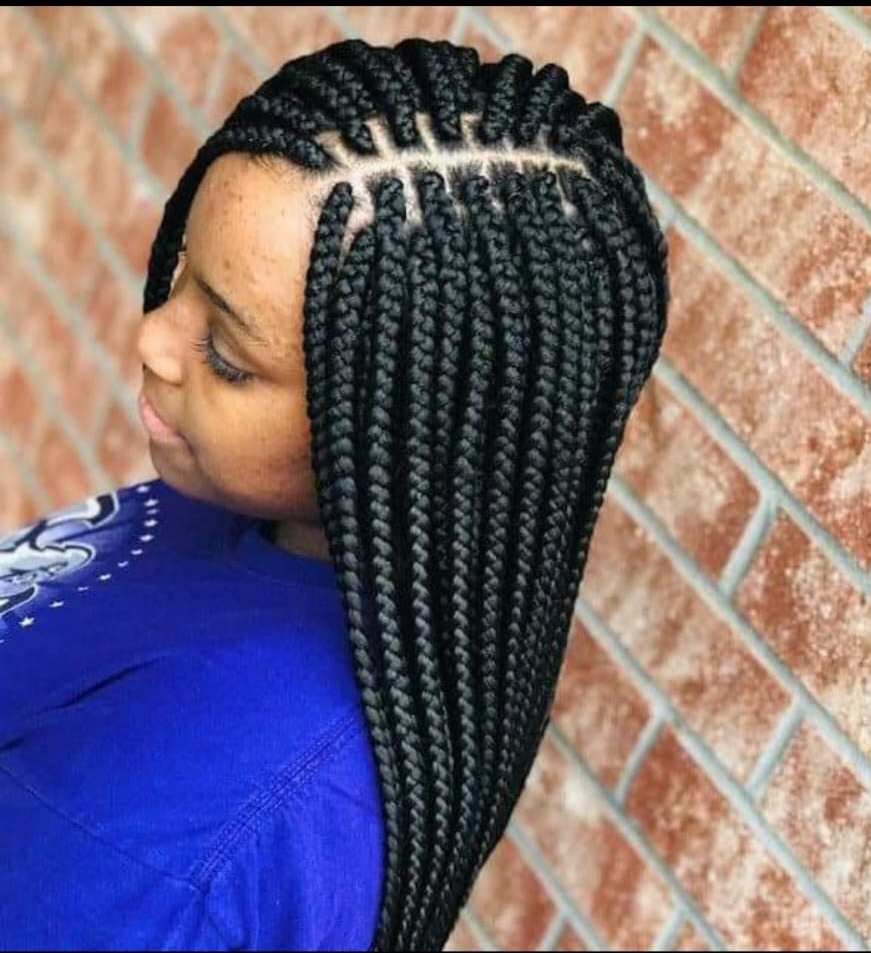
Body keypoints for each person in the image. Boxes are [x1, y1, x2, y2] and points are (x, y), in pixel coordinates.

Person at [0, 36, 669, 951]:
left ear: (411, 428)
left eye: (229, 357)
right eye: (183, 267)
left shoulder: (156, 846)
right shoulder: (275, 527)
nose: (156, 335)